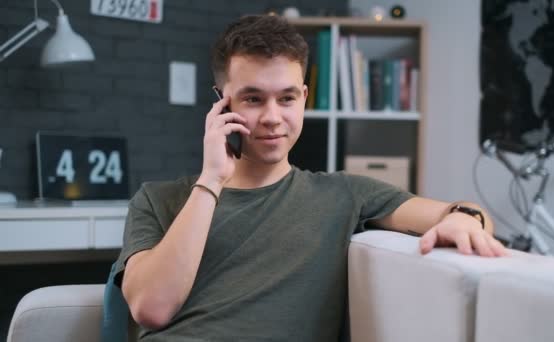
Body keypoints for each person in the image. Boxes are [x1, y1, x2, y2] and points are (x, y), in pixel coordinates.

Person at [112, 14, 507, 341]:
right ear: (221, 103)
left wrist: (463, 218)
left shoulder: (344, 194)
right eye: (252, 98)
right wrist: (211, 181)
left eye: (286, 98)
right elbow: (152, 308)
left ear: (303, 98)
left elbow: (464, 213)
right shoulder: (159, 199)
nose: (271, 117)